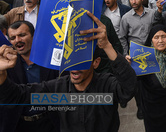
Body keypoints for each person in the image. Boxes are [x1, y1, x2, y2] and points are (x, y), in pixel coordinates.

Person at [0, 11, 137, 132]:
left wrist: (107, 45)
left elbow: (128, 88)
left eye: (80, 62)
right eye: (70, 61)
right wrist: (1, 75)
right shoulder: (57, 89)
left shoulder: (106, 86)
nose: (74, 67)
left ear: (96, 63)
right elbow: (18, 96)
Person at [0, 21, 60, 132]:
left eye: (22, 35)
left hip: (51, 122)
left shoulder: (52, 60)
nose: (17, 40)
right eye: (13, 38)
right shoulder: (6, 64)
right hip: (19, 124)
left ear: (34, 35)